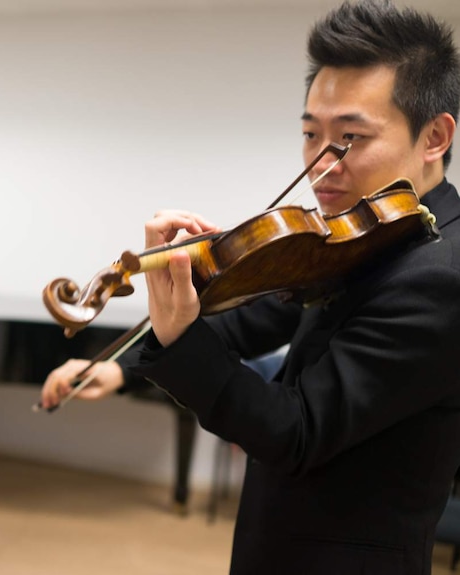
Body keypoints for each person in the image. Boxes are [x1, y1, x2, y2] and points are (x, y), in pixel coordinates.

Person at [41, 1, 460, 573]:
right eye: (311, 134)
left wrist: (181, 340)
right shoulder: (374, 233)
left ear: (434, 136)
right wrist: (123, 364)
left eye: (350, 139)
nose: (320, 166)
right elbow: (261, 315)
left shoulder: (440, 276)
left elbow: (297, 431)